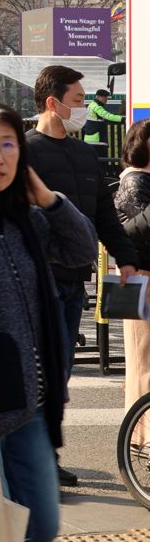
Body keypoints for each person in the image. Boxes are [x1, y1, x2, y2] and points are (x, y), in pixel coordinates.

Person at [0, 101, 96, 542]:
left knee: (41, 522)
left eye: (8, 145)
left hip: (31, 401)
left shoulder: (28, 220)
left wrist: (48, 199)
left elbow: (80, 251)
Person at [26, 65, 137, 486]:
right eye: (77, 100)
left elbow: (104, 215)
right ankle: (33, 462)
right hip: (38, 278)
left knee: (60, 372)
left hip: (76, 280)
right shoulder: (25, 152)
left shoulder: (84, 154)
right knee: (39, 370)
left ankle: (46, 457)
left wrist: (125, 257)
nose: (85, 109)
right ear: (52, 103)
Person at [114, 119, 150, 416]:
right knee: (143, 359)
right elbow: (131, 232)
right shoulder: (134, 180)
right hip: (141, 279)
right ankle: (143, 435)